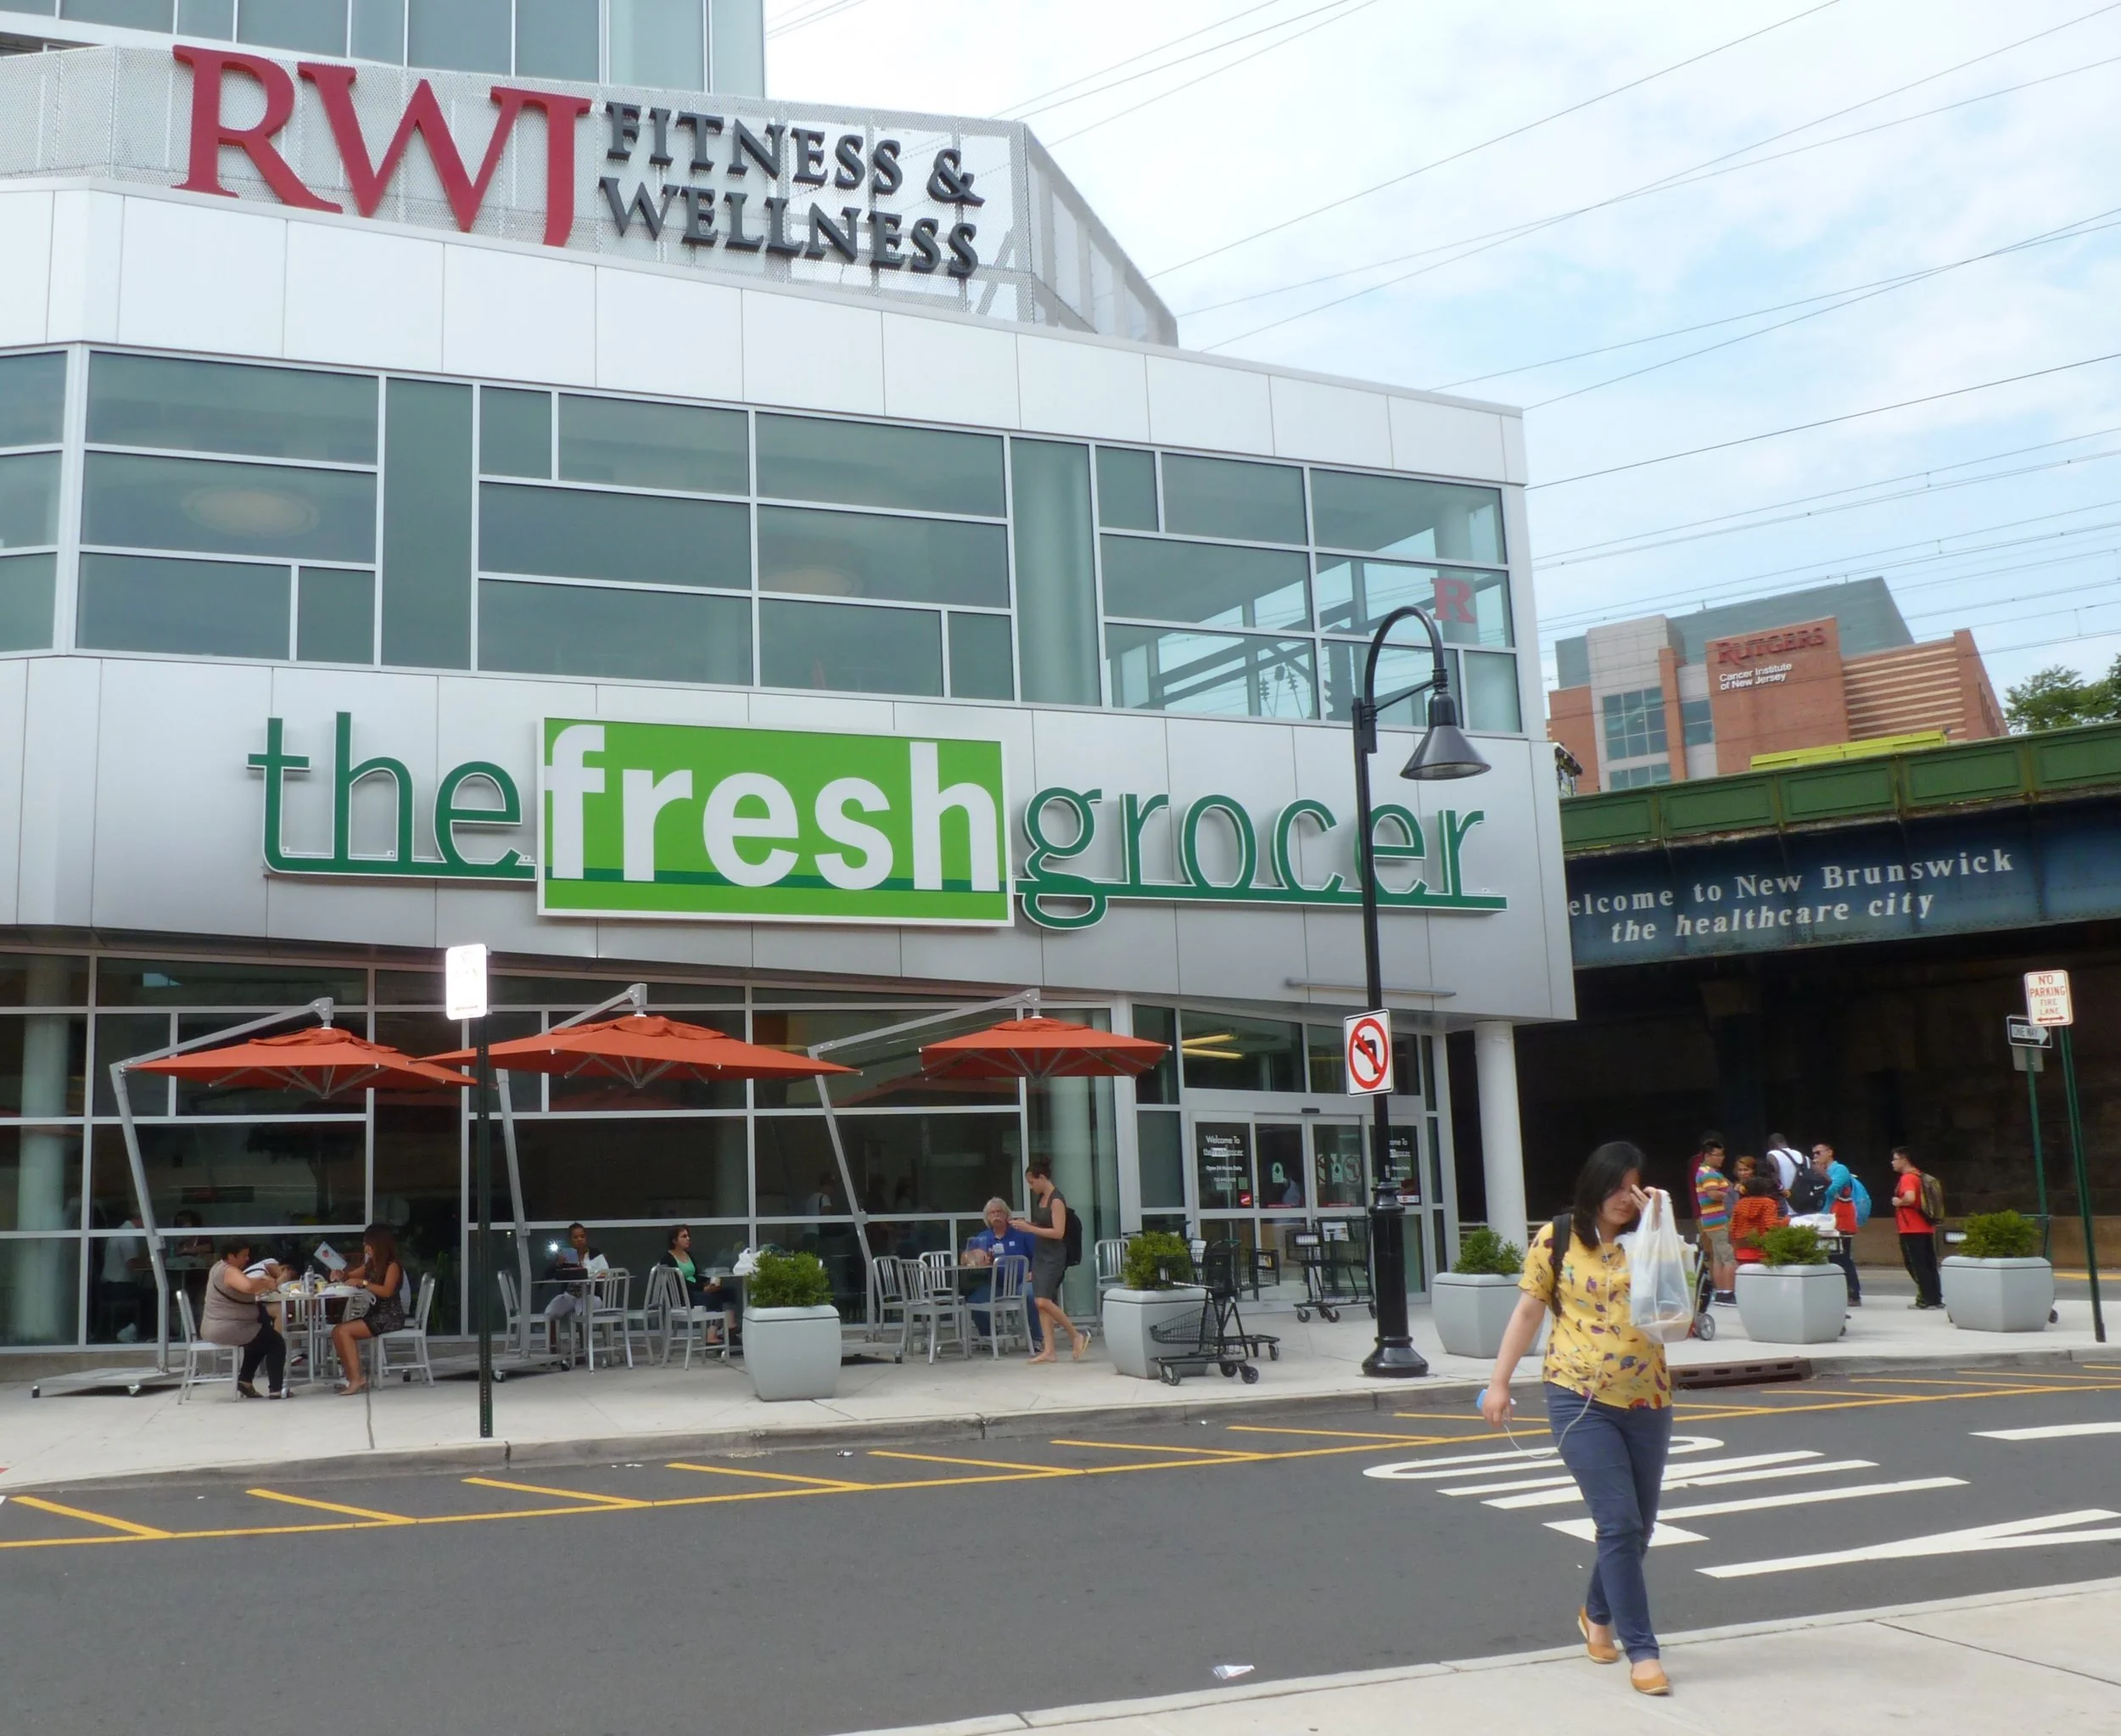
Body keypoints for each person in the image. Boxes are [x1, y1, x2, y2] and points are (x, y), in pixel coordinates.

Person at [1481, 1143, 1673, 1697]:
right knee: (1619, 1523)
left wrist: (1660, 1227)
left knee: (1638, 1526)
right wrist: (1499, 1383)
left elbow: (1676, 1307)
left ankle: (1596, 1614)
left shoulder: (1650, 1239)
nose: (1623, 1198)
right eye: (1615, 1185)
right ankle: (1643, 1651)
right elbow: (1528, 1311)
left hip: (1649, 1398)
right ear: (1595, 1184)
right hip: (1578, 1397)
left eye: (1633, 1187)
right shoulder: (1558, 1237)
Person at [1011, 1158, 1088, 1364]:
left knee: (1043, 1300)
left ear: (1042, 1178)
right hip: (1041, 1254)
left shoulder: (1056, 1200)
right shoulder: (1042, 1198)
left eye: (1032, 1182)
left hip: (1054, 1256)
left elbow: (1058, 1232)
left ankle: (1075, 1335)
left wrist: (1029, 1228)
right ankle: (1049, 1350)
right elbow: (1045, 1225)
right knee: (1041, 1304)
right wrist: (1028, 1224)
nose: (1031, 1187)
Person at [199, 1235, 288, 1399]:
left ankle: (245, 1381)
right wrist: (266, 1283)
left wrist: (260, 1281)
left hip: (224, 1326)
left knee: (260, 1338)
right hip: (226, 1328)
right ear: (231, 1256)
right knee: (276, 1342)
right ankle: (276, 1390)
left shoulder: (218, 1267)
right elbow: (247, 1286)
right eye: (244, 1256)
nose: (247, 1259)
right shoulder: (228, 1271)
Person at [328, 1222, 406, 1397]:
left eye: (368, 1245)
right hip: (375, 1313)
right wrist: (340, 1274)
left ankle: (357, 1379)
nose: (365, 1249)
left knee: (344, 1331)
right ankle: (351, 1377)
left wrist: (364, 1283)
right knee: (336, 1331)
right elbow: (351, 1276)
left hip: (389, 1316)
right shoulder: (372, 1264)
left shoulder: (392, 1266)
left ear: (378, 1245)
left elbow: (387, 1291)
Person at [964, 1196, 1041, 1352]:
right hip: (996, 1285)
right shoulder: (983, 1237)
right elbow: (965, 1257)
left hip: (1022, 1282)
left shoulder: (1022, 1233)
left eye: (999, 1212)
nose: (996, 1215)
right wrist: (972, 1255)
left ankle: (1036, 1338)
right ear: (987, 1217)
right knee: (975, 1301)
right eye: (992, 1213)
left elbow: (1040, 1255)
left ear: (1007, 1215)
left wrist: (1035, 1272)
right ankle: (988, 1336)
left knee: (1031, 1295)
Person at [659, 1224, 731, 1345]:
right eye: (684, 1236)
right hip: (683, 1296)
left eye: (688, 1236)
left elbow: (696, 1276)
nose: (688, 1239)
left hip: (695, 1291)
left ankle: (731, 1328)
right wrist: (703, 1288)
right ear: (675, 1240)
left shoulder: (688, 1255)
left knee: (727, 1293)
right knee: (715, 1298)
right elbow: (678, 1282)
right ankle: (711, 1336)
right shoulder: (667, 1259)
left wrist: (709, 1282)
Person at [1810, 1142, 1863, 1308]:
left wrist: (1818, 1175)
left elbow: (1829, 1190)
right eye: (1814, 1154)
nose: (1815, 1156)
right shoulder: (1819, 1171)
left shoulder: (1840, 1169)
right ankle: (1835, 1291)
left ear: (1830, 1152)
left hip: (1839, 1219)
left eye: (1818, 1152)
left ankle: (1853, 1292)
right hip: (1823, 1219)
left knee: (1842, 1256)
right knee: (1827, 1257)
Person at [1891, 1146, 1944, 1308]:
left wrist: (1898, 1202)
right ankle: (1935, 1298)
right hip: (1925, 1226)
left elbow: (1910, 1197)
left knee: (1916, 1264)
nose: (1892, 1163)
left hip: (1911, 1228)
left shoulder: (1907, 1178)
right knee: (1929, 1264)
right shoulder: (1919, 1176)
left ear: (1904, 1160)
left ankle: (1925, 1299)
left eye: (1895, 1159)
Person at [543, 1222, 603, 1356]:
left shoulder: (595, 1254)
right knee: (550, 1312)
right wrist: (558, 1264)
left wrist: (590, 1273)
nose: (579, 1240)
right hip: (570, 1295)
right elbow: (547, 1275)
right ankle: (552, 1351)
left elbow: (606, 1273)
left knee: (581, 1313)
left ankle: (582, 1351)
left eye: (582, 1236)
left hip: (591, 1295)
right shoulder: (566, 1256)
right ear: (570, 1239)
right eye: (576, 1237)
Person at [1691, 1134, 1735, 1304]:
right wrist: (1731, 1197)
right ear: (1707, 1156)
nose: (1721, 1158)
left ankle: (1722, 1291)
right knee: (1729, 1257)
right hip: (1719, 1220)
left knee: (1718, 1258)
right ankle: (1728, 1292)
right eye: (1717, 1155)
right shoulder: (1709, 1173)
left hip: (1711, 1220)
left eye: (1722, 1155)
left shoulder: (1707, 1171)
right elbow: (1713, 1194)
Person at [1729, 1173, 1788, 1266]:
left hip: (1741, 1249)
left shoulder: (1739, 1204)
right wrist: (1785, 1221)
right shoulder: (1768, 1203)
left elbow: (1732, 1227)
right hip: (1762, 1249)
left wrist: (1734, 1245)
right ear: (1766, 1190)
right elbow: (1772, 1226)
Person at [1764, 1134, 1804, 1198]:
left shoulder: (1772, 1154)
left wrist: (1781, 1189)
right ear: (1785, 1142)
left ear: (1771, 1145)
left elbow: (1773, 1175)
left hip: (1785, 1196)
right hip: (1802, 1195)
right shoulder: (1799, 1154)